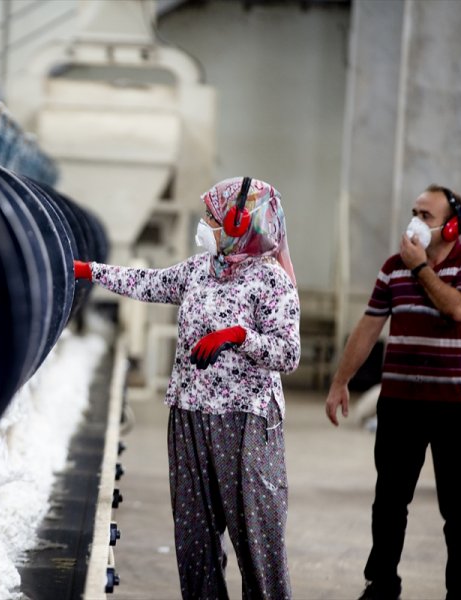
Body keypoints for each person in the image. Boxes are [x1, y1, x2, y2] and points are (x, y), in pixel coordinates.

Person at [74, 177, 300, 599]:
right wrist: (89, 271)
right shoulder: (200, 269)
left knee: (257, 539)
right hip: (189, 416)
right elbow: (149, 283)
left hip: (245, 423)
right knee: (194, 539)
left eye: (212, 217)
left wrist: (238, 336)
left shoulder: (272, 282)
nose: (205, 224)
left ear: (238, 223)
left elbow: (288, 354)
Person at [325, 184, 461, 600]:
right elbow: (368, 327)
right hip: (401, 406)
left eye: (427, 215)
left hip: (457, 408)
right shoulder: (392, 267)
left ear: (452, 227)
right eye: (414, 211)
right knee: (389, 502)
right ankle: (382, 584)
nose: (415, 221)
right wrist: (339, 381)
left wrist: (421, 268)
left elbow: (458, 309)